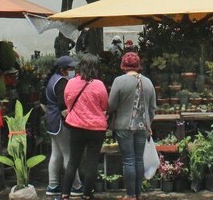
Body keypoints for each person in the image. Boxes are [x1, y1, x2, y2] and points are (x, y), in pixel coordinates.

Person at [108, 52, 156, 200]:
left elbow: (111, 105)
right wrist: (148, 122)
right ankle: (138, 194)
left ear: (123, 65)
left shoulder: (119, 81)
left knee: (128, 160)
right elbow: (153, 108)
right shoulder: (148, 82)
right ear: (138, 65)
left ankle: (130, 195)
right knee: (139, 159)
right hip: (143, 127)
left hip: (124, 127)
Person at [61, 54, 108, 200]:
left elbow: (67, 103)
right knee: (91, 161)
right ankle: (87, 194)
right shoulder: (99, 85)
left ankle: (65, 194)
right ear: (95, 68)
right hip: (96, 129)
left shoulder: (71, 83)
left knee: (73, 161)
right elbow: (104, 105)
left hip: (76, 127)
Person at [42, 56, 83, 197]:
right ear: (62, 70)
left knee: (56, 154)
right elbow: (63, 106)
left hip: (52, 122)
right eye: (71, 68)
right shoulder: (61, 82)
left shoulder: (52, 79)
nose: (73, 71)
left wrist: (50, 114)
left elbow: (43, 103)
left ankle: (53, 185)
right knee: (68, 154)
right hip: (60, 122)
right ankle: (76, 186)